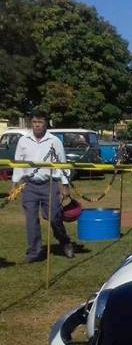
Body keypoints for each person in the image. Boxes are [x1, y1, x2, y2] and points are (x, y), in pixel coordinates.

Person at [11, 111, 74, 262]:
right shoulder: (23, 141)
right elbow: (18, 163)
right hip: (29, 185)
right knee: (31, 220)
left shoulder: (55, 141)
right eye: (34, 122)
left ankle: (65, 241)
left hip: (49, 184)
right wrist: (15, 184)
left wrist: (64, 185)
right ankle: (34, 252)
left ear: (46, 123)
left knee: (54, 217)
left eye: (40, 122)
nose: (37, 125)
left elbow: (62, 164)